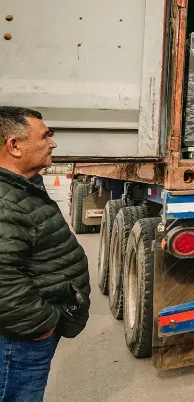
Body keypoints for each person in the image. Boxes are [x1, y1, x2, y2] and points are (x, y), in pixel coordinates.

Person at [0, 107, 90, 402]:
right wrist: (44, 325)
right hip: (19, 339)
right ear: (14, 146)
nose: (53, 143)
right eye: (45, 135)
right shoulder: (5, 200)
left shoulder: (20, 188)